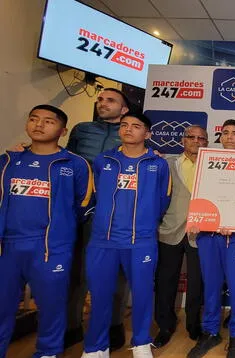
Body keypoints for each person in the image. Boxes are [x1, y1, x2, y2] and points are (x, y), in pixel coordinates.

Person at [0, 105, 92, 358]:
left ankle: (48, 353)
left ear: (62, 131)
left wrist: (61, 230)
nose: (39, 125)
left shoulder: (75, 164)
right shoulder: (8, 161)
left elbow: (83, 203)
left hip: (51, 249)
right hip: (7, 247)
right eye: (34, 119)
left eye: (48, 121)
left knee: (52, 307)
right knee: (2, 307)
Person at [81, 112, 171, 358]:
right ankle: (95, 347)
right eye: (124, 125)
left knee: (142, 293)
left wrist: (145, 222)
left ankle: (141, 343)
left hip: (140, 241)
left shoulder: (158, 164)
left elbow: (163, 200)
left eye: (136, 126)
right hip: (103, 240)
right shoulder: (103, 160)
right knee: (100, 295)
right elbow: (95, 195)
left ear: (148, 133)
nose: (128, 129)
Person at [66, 88, 131, 350]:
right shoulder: (81, 129)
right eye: (101, 99)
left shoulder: (131, 133)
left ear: (124, 109)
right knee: (76, 272)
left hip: (114, 213)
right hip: (76, 211)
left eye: (110, 100)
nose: (102, 103)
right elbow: (66, 161)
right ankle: (71, 326)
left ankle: (114, 325)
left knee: (115, 274)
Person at [187, 119, 235, 358]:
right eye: (225, 133)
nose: (229, 137)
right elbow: (199, 195)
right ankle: (210, 332)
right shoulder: (206, 162)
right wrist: (195, 218)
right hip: (208, 234)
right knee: (212, 286)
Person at [153, 126, 209, 348]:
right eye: (191, 137)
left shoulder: (214, 165)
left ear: (206, 141)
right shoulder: (166, 164)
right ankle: (165, 326)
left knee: (197, 283)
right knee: (166, 282)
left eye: (201, 138)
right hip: (170, 230)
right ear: (182, 140)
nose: (195, 141)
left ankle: (194, 325)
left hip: (200, 232)